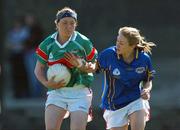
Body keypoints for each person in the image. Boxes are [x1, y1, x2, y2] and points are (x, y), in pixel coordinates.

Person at [66, 26, 156, 130]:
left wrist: (146, 89)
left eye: (121, 43)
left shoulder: (144, 59)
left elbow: (148, 80)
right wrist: (80, 65)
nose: (117, 45)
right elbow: (94, 68)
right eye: (117, 41)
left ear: (133, 46)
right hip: (114, 105)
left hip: (136, 100)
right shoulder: (108, 55)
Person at [34, 7, 98, 130]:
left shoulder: (83, 42)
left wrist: (81, 65)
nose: (68, 26)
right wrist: (47, 83)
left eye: (72, 23)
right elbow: (38, 69)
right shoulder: (47, 44)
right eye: (64, 23)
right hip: (57, 92)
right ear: (57, 24)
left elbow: (95, 66)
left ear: (76, 24)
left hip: (80, 92)